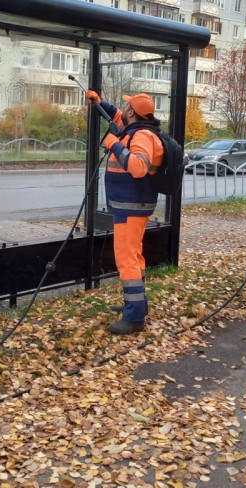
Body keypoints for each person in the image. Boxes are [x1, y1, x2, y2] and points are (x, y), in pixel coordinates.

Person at [85, 90, 165, 334]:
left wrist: (113, 144)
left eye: (127, 106)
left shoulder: (142, 135)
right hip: (132, 206)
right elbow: (115, 115)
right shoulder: (137, 127)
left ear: (133, 112)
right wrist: (98, 102)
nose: (124, 108)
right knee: (135, 256)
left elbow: (138, 167)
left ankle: (134, 318)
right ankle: (137, 304)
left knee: (126, 260)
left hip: (131, 207)